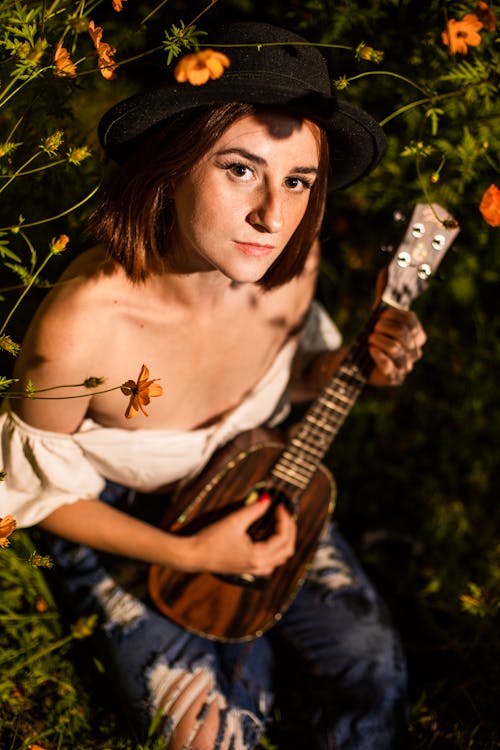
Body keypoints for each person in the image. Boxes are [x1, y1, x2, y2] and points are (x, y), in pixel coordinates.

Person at [0, 22, 427, 750]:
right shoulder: (83, 327)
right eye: (240, 170)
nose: (272, 215)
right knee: (209, 736)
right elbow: (38, 497)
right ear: (173, 162)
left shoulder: (292, 258)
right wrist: (195, 558)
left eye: (297, 181)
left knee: (373, 663)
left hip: (258, 479)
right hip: (128, 522)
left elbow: (290, 380)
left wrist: (360, 364)